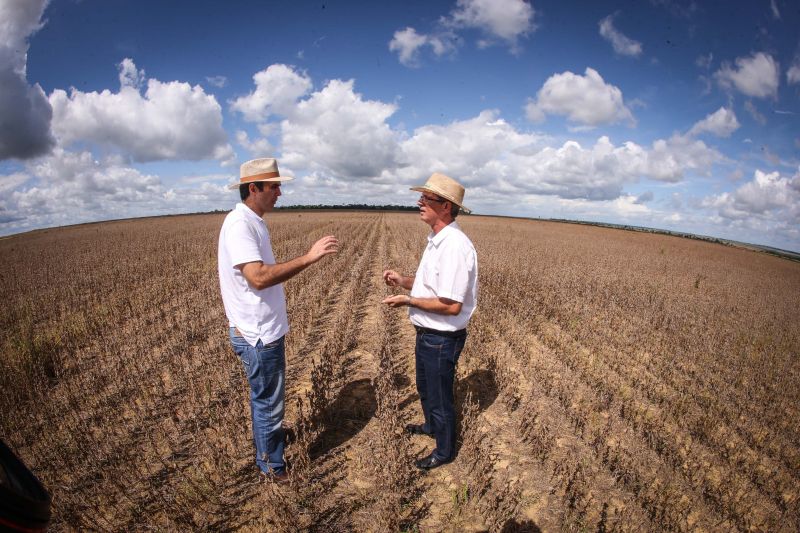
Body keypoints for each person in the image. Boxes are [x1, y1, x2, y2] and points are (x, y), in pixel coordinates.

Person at [218, 158, 338, 482]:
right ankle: (272, 466)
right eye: (274, 186)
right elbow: (257, 277)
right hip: (257, 335)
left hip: (260, 330)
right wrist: (309, 258)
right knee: (269, 403)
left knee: (266, 399)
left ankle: (268, 446)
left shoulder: (253, 220)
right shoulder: (240, 224)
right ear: (253, 188)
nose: (280, 192)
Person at [382, 172, 478, 471]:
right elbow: (432, 288)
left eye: (427, 198)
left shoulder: (455, 247)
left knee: (440, 395)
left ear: (446, 206)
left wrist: (408, 301)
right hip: (427, 333)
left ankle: (445, 450)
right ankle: (431, 427)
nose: (419, 202)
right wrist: (403, 282)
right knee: (425, 387)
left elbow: (450, 305)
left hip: (441, 337)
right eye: (421, 197)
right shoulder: (437, 240)